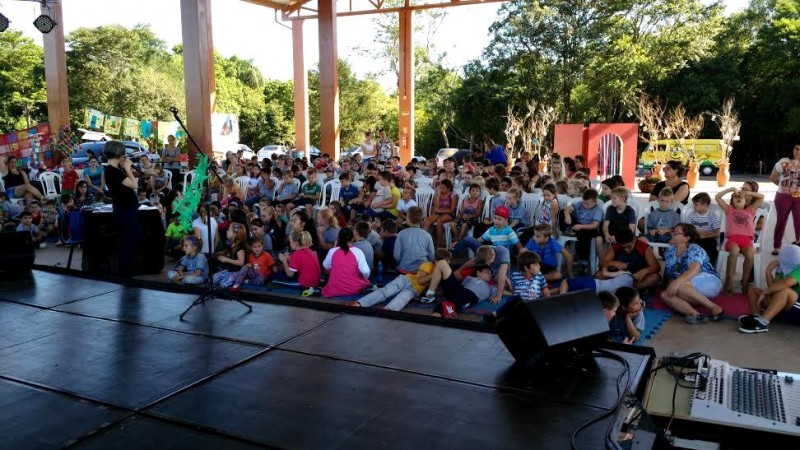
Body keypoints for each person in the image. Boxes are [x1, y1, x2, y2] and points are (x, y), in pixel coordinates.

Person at [661, 223, 723, 324]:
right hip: (688, 286)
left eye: (676, 233)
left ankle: (715, 308)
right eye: (673, 232)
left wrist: (676, 283)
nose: (672, 234)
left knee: (679, 286)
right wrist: (671, 285)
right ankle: (695, 314)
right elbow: (670, 274)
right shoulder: (670, 251)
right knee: (665, 295)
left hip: (707, 279)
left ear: (687, 238)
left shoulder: (695, 249)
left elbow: (694, 270)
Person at [103, 141, 142, 277]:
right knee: (130, 241)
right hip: (125, 210)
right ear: (120, 154)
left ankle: (126, 272)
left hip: (125, 209)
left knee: (130, 240)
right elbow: (134, 185)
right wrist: (127, 168)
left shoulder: (112, 170)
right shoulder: (113, 171)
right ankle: (125, 274)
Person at [740, 245, 800, 333]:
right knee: (753, 290)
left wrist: (765, 292)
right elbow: (773, 288)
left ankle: (763, 323)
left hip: (797, 309)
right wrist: (768, 271)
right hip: (786, 307)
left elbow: (786, 283)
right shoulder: (782, 267)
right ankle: (757, 317)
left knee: (784, 290)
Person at [348, 251, 435, 311]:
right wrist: (433, 275)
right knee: (386, 291)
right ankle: (360, 303)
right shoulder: (429, 265)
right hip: (407, 280)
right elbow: (420, 280)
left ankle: (388, 309)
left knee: (403, 298)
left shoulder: (438, 274)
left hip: (415, 290)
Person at [716, 186, 764, 293]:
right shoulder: (729, 210)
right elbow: (718, 197)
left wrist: (747, 193)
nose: (739, 197)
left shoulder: (750, 210)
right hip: (733, 240)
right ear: (732, 201)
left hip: (747, 240)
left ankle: (745, 281)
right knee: (734, 251)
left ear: (745, 200)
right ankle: (729, 280)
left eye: (741, 197)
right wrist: (731, 189)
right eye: (735, 197)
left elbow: (761, 197)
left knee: (750, 254)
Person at [483, 251, 549, 324]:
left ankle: (498, 317)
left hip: (531, 305)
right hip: (517, 304)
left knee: (515, 303)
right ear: (526, 268)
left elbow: (545, 290)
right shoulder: (515, 275)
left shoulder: (539, 276)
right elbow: (513, 290)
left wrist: (549, 303)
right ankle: (495, 316)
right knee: (514, 300)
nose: (539, 266)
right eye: (536, 265)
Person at [423, 261, 498, 319]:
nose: (490, 274)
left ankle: (442, 312)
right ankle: (429, 294)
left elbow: (506, 291)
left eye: (491, 274)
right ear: (478, 273)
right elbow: (459, 282)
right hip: (459, 290)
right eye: (487, 272)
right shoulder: (469, 278)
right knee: (441, 263)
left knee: (442, 307)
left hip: (470, 295)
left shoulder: (491, 287)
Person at [321, 228, 371, 297]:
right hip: (353, 289)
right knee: (367, 282)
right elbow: (366, 271)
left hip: (335, 288)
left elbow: (325, 266)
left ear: (338, 238)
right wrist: (364, 278)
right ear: (352, 238)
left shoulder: (332, 251)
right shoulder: (358, 251)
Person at [770, 144, 800, 255]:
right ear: (792, 149)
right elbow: (772, 177)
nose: (798, 151)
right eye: (796, 148)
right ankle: (776, 246)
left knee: (799, 222)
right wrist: (785, 187)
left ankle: (799, 246)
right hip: (783, 197)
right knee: (781, 221)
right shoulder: (784, 161)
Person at [394, 206, 435, 273]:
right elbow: (432, 257)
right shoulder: (427, 235)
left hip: (405, 270)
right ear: (423, 219)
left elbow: (397, 256)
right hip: (422, 272)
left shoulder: (401, 234)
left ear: (408, 219)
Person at [686, 193, 720, 265]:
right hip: (695, 238)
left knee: (712, 250)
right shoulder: (692, 215)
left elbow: (717, 233)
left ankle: (708, 267)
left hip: (708, 239)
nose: (694, 206)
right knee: (691, 248)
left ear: (705, 205)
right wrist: (697, 233)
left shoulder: (712, 215)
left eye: (696, 204)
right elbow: (687, 229)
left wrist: (703, 236)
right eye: (694, 204)